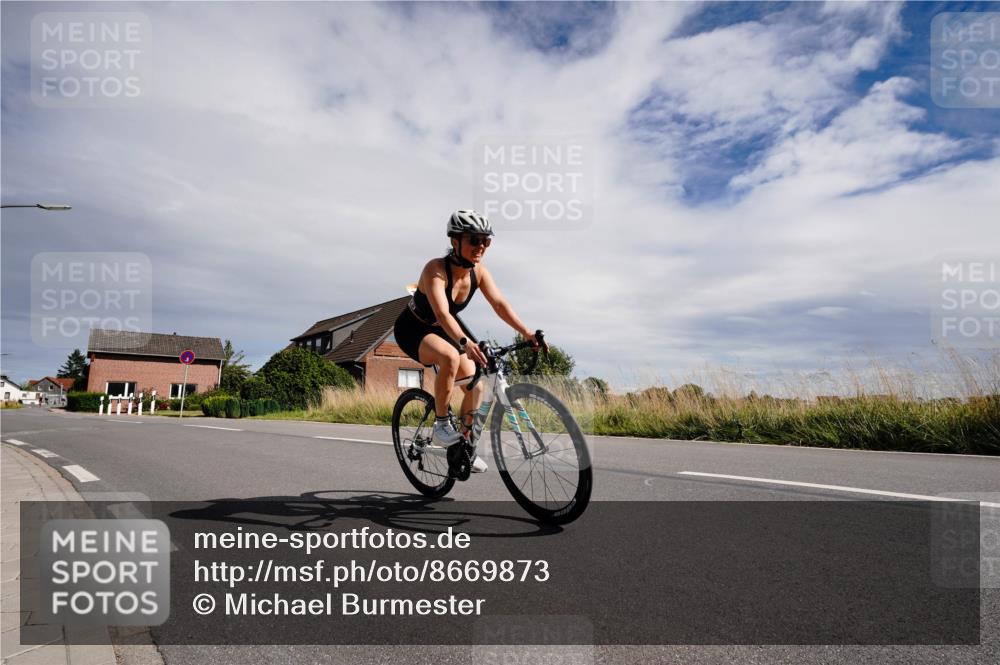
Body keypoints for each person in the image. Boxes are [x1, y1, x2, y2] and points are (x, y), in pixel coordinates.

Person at [393, 210, 547, 473]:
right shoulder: (435, 270)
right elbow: (441, 313)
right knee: (450, 356)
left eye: (486, 241)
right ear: (455, 241)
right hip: (413, 329)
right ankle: (441, 426)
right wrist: (465, 343)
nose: (481, 247)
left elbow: (499, 304)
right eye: (474, 240)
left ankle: (462, 447)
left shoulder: (479, 273)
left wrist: (527, 332)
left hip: (445, 330)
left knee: (477, 385)